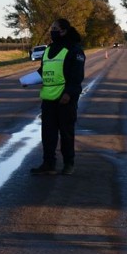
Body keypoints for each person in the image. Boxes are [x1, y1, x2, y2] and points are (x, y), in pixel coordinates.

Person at [30, 18, 85, 176]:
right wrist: (28, 80)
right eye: (51, 27)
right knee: (48, 134)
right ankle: (48, 164)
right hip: (48, 99)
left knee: (66, 134)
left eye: (55, 28)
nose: (52, 30)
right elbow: (43, 71)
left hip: (65, 99)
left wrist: (68, 94)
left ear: (64, 31)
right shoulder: (49, 49)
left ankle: (69, 163)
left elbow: (77, 76)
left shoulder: (74, 50)